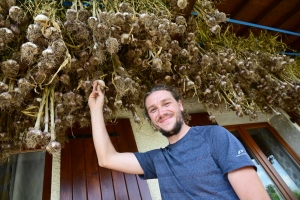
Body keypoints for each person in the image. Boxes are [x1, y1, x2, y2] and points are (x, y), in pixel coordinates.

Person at [88, 82, 270, 200]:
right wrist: (96, 109)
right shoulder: (157, 160)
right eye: (153, 110)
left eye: (166, 104)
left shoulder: (214, 136)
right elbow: (107, 159)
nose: (161, 112)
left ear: (180, 105)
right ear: (151, 118)